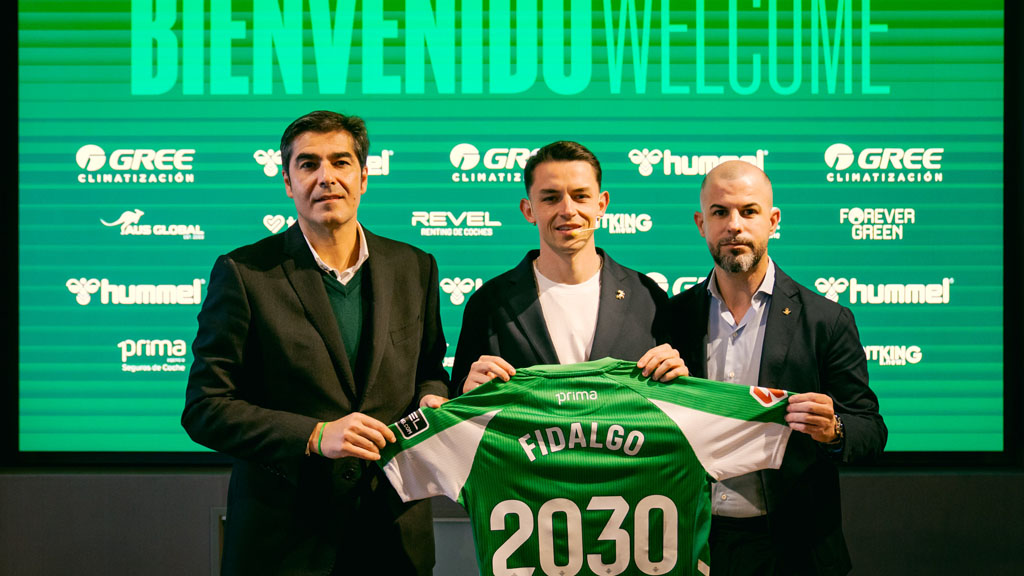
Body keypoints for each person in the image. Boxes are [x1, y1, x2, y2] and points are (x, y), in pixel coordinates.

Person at [182, 111, 449, 576]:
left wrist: (433, 398)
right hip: (286, 545)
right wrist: (314, 435)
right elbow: (206, 408)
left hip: (394, 538)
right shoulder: (244, 274)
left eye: (341, 162)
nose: (326, 177)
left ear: (364, 177)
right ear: (288, 182)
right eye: (308, 164)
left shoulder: (415, 266)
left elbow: (429, 370)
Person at [669, 160, 887, 575]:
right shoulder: (671, 318)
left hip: (795, 551)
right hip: (693, 543)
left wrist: (834, 429)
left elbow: (871, 430)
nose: (734, 225)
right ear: (701, 224)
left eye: (749, 211)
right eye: (720, 212)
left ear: (773, 221)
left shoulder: (826, 320)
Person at [451, 140, 685, 396]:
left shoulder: (647, 297)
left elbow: (675, 403)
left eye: (580, 196)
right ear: (528, 210)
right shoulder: (488, 304)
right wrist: (465, 390)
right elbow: (457, 403)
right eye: (551, 198)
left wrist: (682, 383)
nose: (568, 210)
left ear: (601, 205)